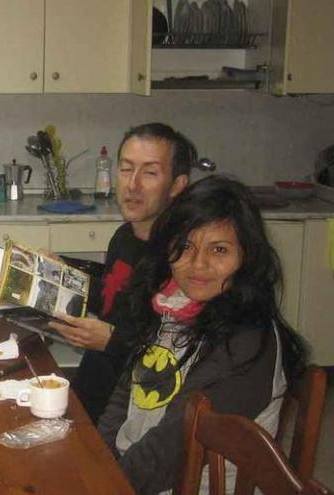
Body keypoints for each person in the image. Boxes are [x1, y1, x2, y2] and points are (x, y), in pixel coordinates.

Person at [96, 175, 306, 494]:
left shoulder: (246, 341)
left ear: (246, 256)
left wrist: (102, 483)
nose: (198, 264)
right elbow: (126, 393)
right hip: (138, 473)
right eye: (185, 246)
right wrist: (99, 457)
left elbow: (174, 448)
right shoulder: (171, 303)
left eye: (218, 249)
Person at [49, 123, 194, 422]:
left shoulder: (184, 257)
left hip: (132, 411)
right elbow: (111, 293)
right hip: (93, 387)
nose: (133, 184)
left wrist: (110, 340)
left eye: (150, 173)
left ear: (177, 185)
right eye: (126, 169)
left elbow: (176, 354)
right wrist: (59, 269)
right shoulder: (125, 236)